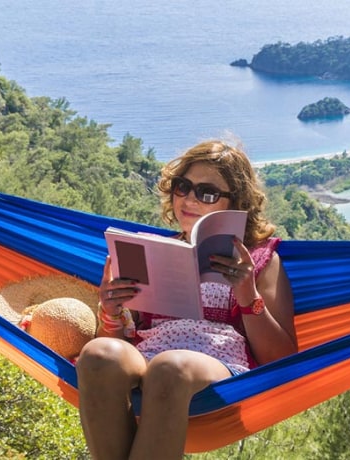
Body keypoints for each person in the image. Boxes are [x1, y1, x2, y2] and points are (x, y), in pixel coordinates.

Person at [76, 140, 298, 459]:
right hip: (149, 354)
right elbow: (122, 336)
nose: (189, 199)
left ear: (236, 203)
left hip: (216, 367)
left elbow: (282, 359)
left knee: (171, 367)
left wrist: (248, 295)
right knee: (99, 354)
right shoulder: (150, 250)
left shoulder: (260, 259)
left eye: (206, 192)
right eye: (183, 186)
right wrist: (111, 312)